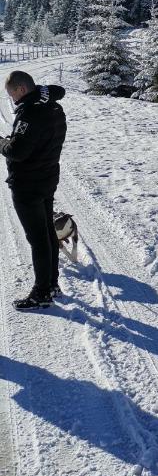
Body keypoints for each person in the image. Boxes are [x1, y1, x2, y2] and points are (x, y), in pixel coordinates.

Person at [0, 71, 67, 310]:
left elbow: (17, 151)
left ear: (21, 89)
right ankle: (52, 284)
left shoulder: (31, 112)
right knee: (47, 232)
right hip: (47, 177)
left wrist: (2, 142)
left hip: (28, 183)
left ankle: (41, 293)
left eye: (11, 93)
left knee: (38, 238)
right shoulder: (53, 106)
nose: (10, 98)